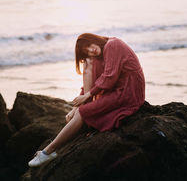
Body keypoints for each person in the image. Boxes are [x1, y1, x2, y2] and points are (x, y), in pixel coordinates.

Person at [28, 33, 145, 167]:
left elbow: (109, 78)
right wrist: (75, 107)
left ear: (94, 39)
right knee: (89, 63)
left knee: (83, 112)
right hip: (117, 91)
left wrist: (86, 98)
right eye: (86, 51)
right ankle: (57, 144)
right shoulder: (100, 55)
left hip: (128, 92)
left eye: (89, 45)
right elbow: (93, 85)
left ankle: (48, 151)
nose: (91, 50)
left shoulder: (113, 44)